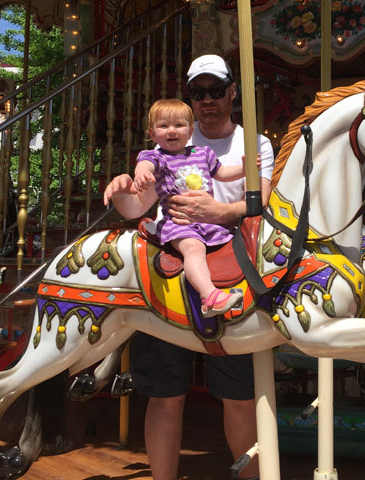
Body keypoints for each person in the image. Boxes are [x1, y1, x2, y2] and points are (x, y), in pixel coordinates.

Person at [103, 53, 275, 480]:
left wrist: (219, 210)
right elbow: (139, 204)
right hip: (177, 260)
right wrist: (123, 188)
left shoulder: (254, 144)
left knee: (239, 394)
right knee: (165, 393)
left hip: (231, 258)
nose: (208, 100)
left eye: (217, 90)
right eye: (199, 93)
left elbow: (263, 202)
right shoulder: (172, 139)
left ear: (232, 92)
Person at [105, 98, 246, 317]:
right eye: (164, 126)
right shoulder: (158, 157)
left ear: (190, 130)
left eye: (179, 125)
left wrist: (244, 169)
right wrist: (141, 172)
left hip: (208, 223)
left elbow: (223, 174)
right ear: (152, 134)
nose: (172, 131)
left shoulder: (204, 153)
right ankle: (209, 296)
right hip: (179, 225)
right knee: (193, 248)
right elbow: (146, 164)